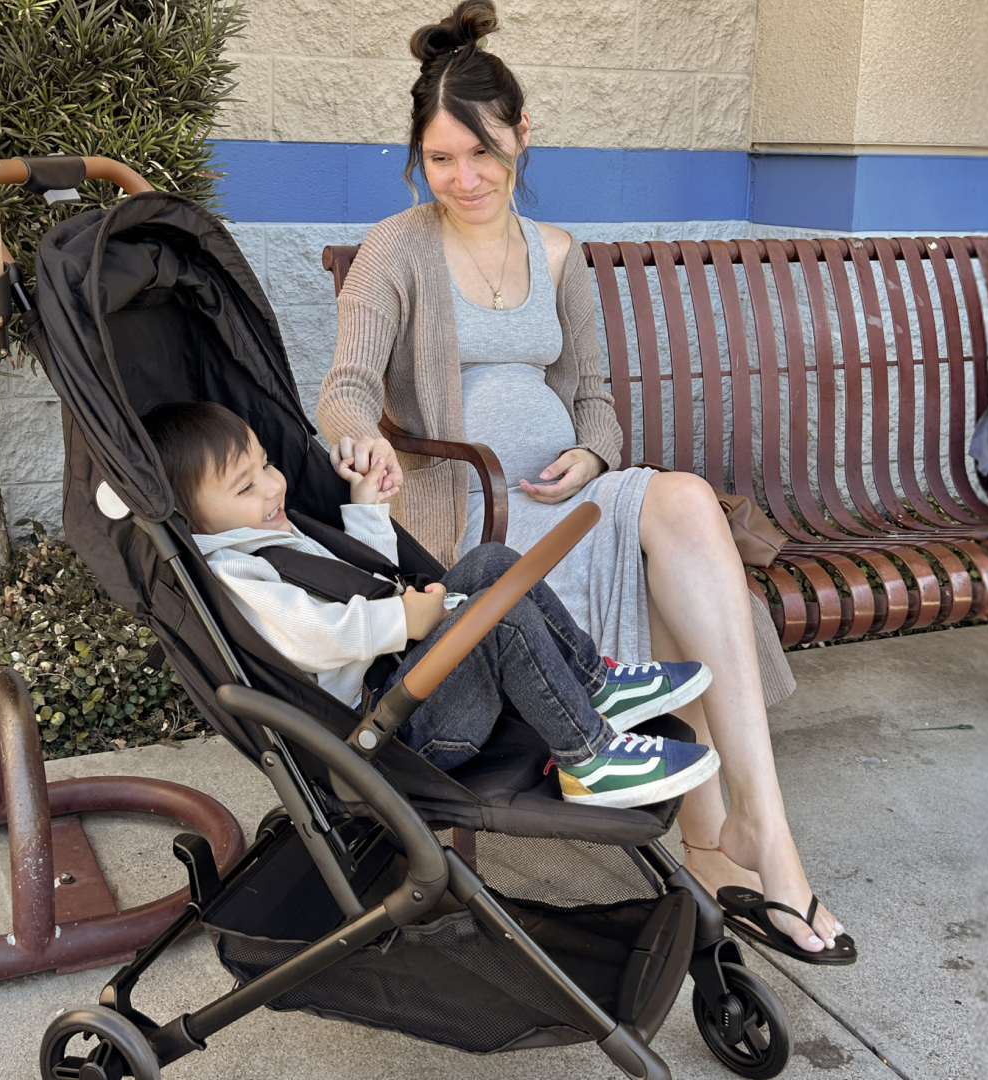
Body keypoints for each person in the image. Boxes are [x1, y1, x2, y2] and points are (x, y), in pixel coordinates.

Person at [314, 0, 853, 963]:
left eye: (484, 152)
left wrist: (594, 458)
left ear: (523, 135)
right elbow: (349, 386)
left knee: (682, 500)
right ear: (417, 161)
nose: (466, 177)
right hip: (470, 524)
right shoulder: (395, 253)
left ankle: (762, 837)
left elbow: (595, 400)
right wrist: (361, 441)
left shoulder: (558, 252)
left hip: (570, 503)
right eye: (442, 159)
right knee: (674, 582)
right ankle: (718, 833)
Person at [142, 400, 718, 810]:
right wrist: (402, 620)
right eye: (244, 487)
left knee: (492, 563)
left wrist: (366, 509)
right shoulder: (232, 569)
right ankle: (588, 761)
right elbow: (309, 633)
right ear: (189, 516)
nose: (272, 486)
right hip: (397, 733)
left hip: (407, 681)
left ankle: (593, 683)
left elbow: (360, 580)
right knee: (501, 615)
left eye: (266, 465)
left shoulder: (269, 532)